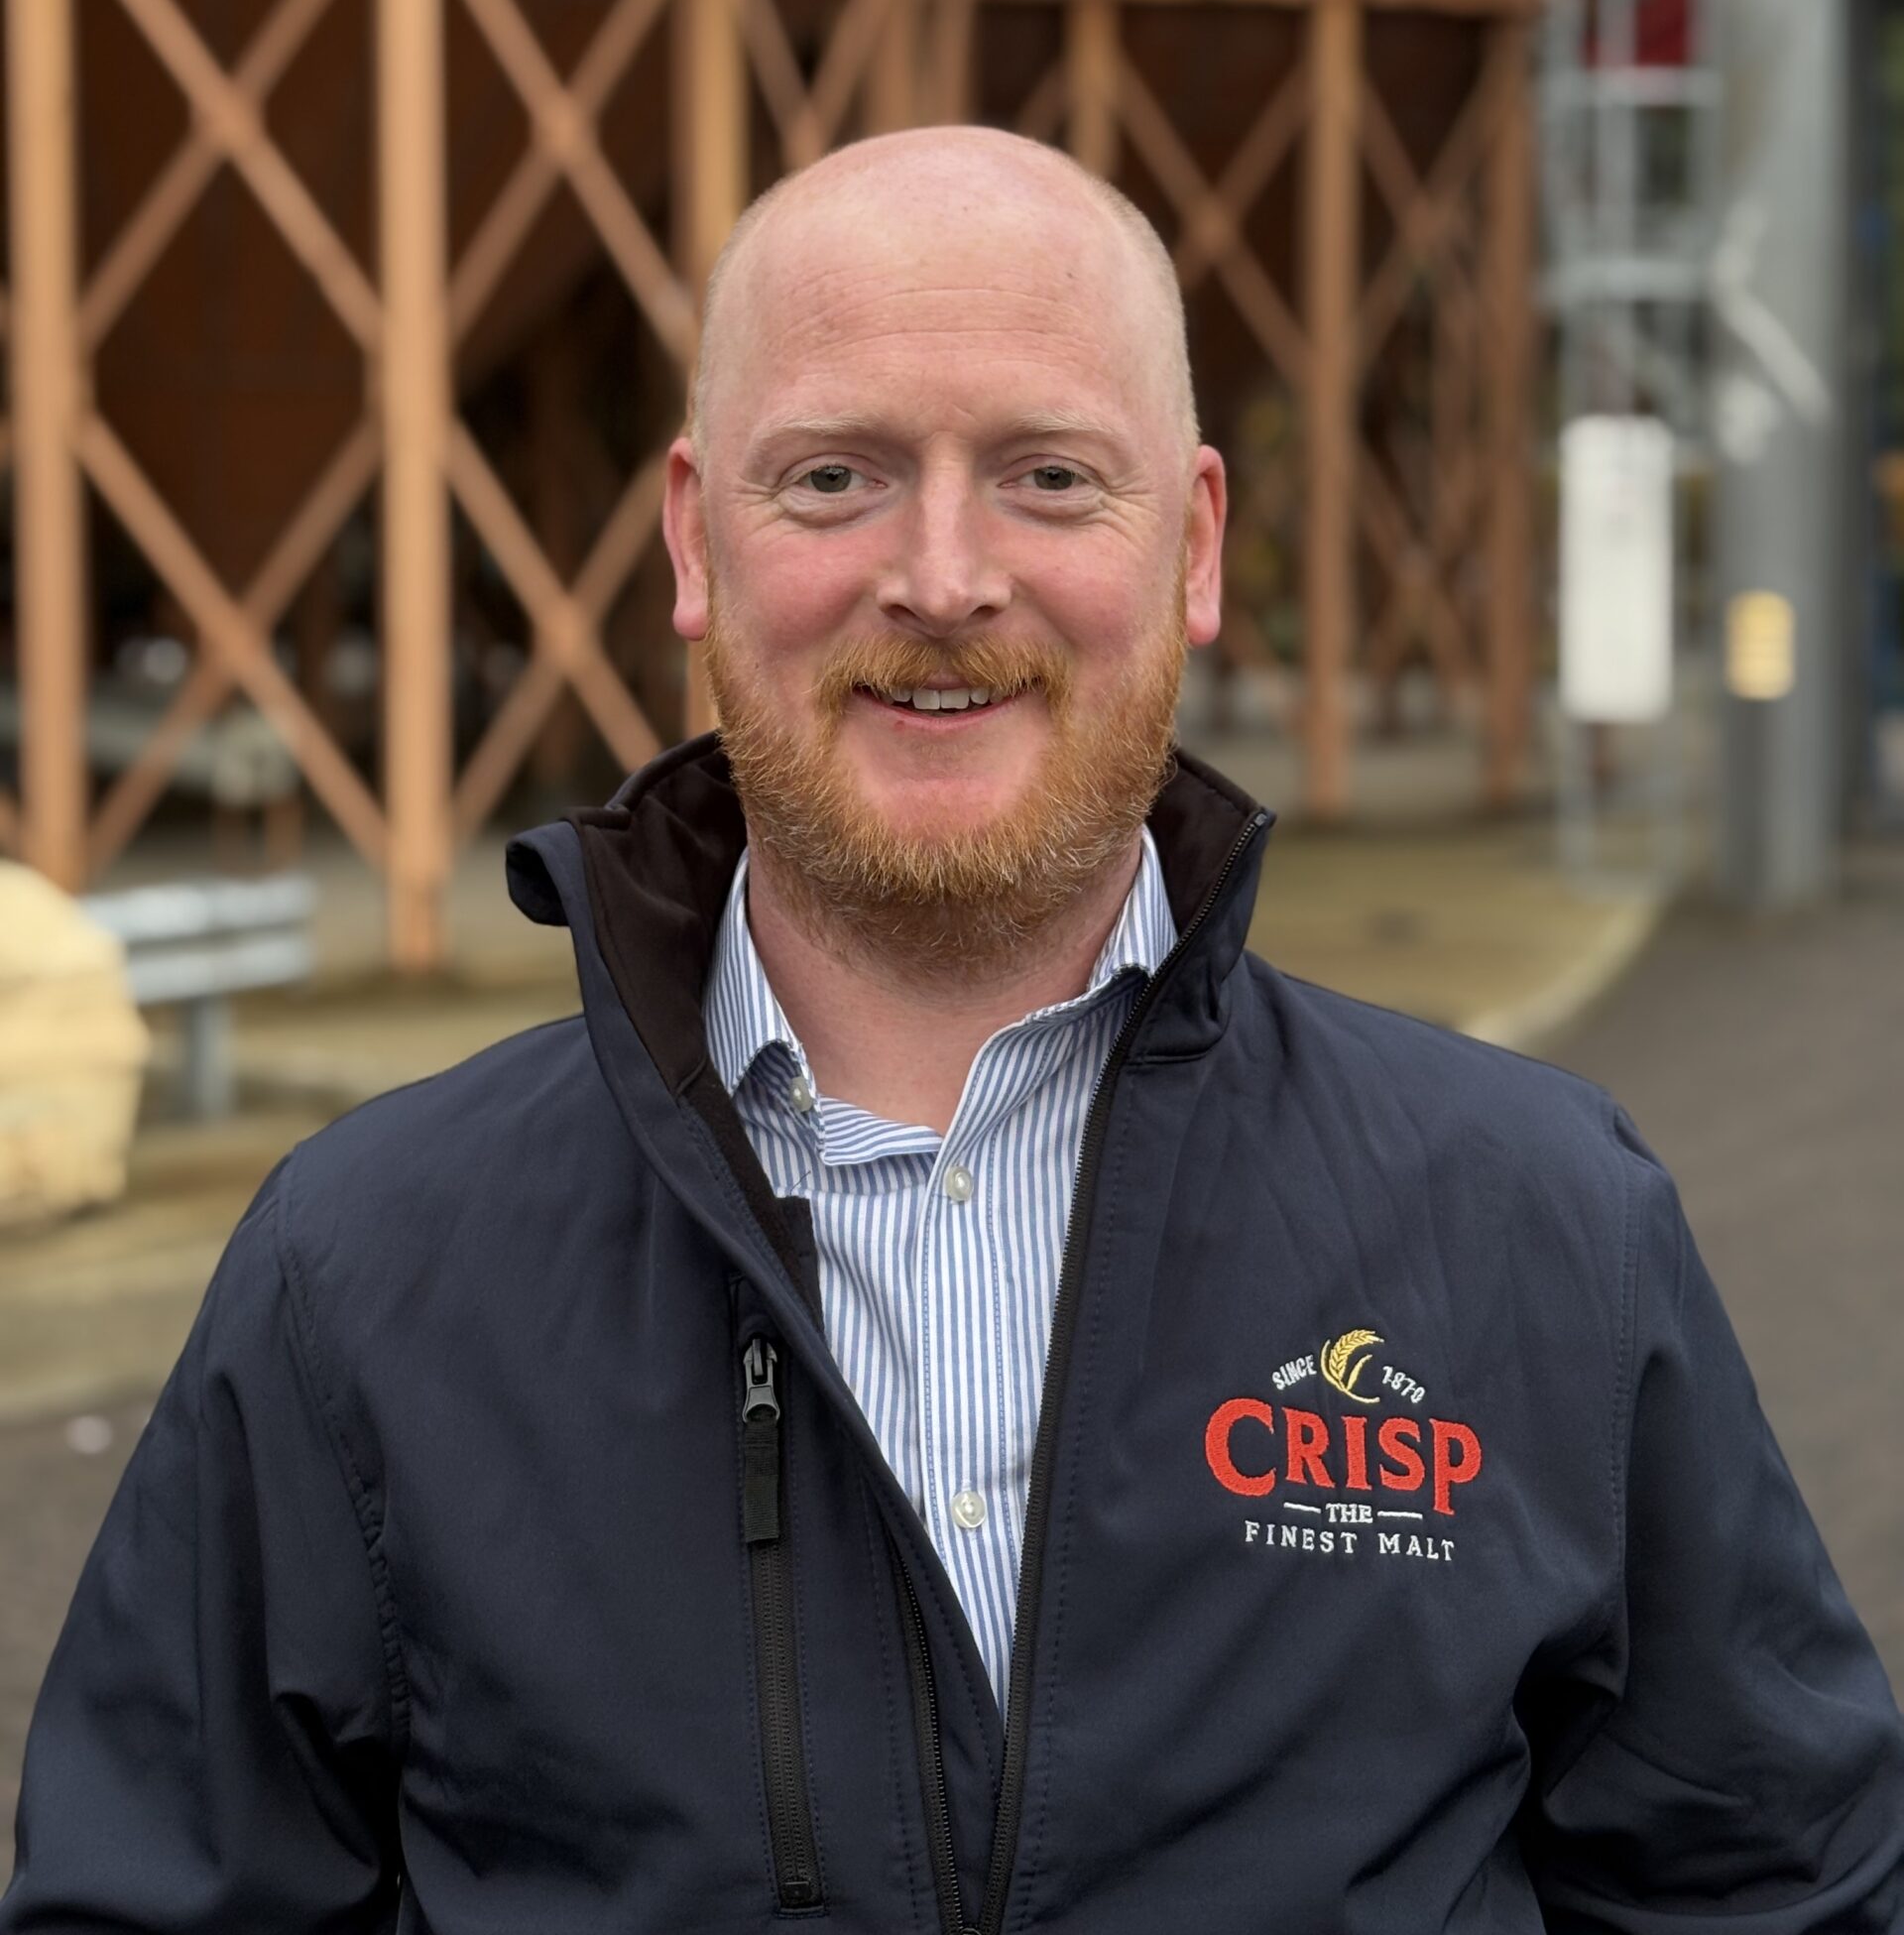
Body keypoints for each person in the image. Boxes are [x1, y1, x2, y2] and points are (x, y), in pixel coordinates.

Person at [5, 127, 1901, 1931]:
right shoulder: (365, 1274)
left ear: (1194, 544)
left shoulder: (1537, 1225)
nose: (941, 577)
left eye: (1049, 477)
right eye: (834, 477)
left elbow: (1777, 1890)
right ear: (694, 540)